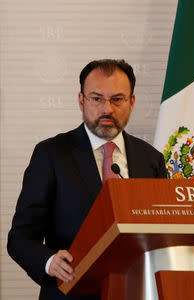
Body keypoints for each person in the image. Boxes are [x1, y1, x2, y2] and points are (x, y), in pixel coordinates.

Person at [7, 59, 166, 300]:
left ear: (131, 102)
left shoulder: (151, 159)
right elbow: (20, 239)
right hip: (71, 291)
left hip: (138, 291)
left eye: (117, 99)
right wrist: (50, 261)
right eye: (96, 98)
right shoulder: (51, 154)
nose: (107, 109)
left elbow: (161, 231)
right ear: (81, 100)